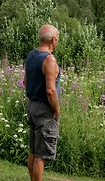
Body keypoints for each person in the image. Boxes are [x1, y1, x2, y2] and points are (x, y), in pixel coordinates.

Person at [24, 24, 61, 181]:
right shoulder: (49, 60)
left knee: (33, 151)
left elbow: (25, 82)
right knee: (41, 157)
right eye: (57, 39)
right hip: (44, 110)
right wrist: (57, 110)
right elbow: (50, 91)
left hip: (32, 107)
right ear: (53, 39)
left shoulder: (31, 56)